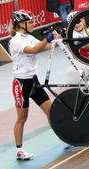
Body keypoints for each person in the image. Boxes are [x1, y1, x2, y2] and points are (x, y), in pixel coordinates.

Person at [9, 10, 59, 160]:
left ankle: (63, 137)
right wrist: (46, 39)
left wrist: (57, 37)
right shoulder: (16, 40)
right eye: (30, 22)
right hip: (21, 83)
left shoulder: (29, 37)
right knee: (22, 118)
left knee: (51, 111)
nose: (33, 24)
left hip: (33, 81)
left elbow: (45, 46)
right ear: (20, 24)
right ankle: (19, 149)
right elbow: (33, 50)